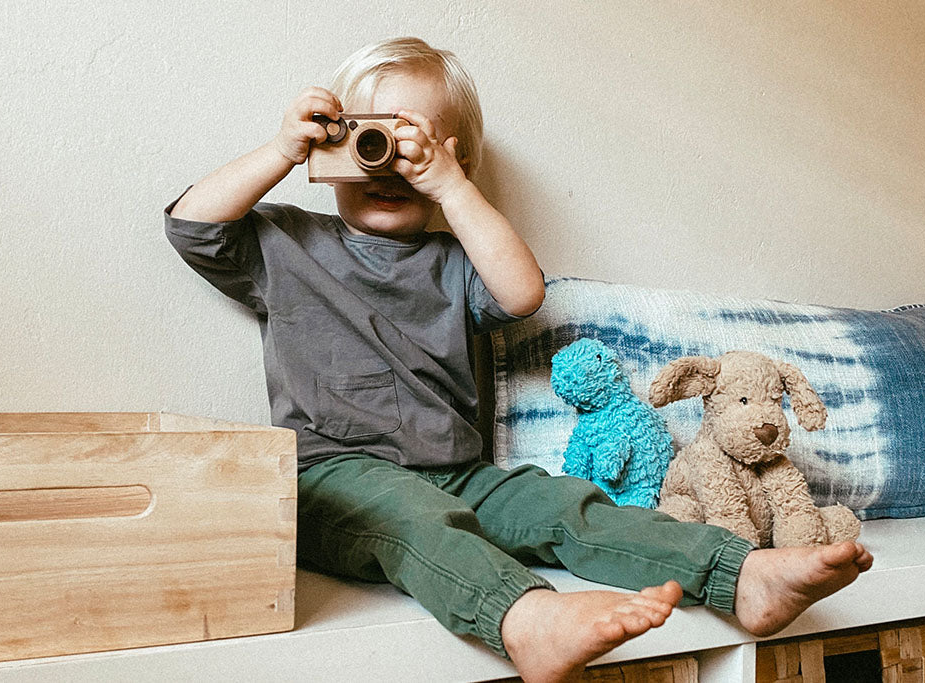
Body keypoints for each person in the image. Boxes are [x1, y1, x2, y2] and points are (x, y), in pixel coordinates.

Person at [164, 36, 873, 683]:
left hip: (462, 473)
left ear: (454, 160)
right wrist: (283, 148)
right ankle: (525, 619)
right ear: (334, 143)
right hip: (335, 480)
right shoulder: (287, 243)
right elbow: (192, 226)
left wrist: (449, 185)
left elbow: (523, 291)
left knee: (570, 505)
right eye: (368, 136)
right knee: (415, 520)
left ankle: (738, 571)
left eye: (416, 145)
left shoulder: (454, 259)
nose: (389, 160)